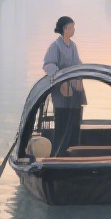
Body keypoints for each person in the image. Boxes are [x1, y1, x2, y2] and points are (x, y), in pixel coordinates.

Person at [42, 16, 87, 155]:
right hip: (61, 89)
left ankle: (74, 151)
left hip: (74, 91)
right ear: (64, 29)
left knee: (75, 122)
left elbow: (78, 64)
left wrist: (79, 78)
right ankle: (59, 153)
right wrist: (61, 79)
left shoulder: (73, 46)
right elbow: (48, 65)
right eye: (71, 27)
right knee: (62, 122)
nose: (73, 30)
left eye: (74, 27)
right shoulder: (55, 46)